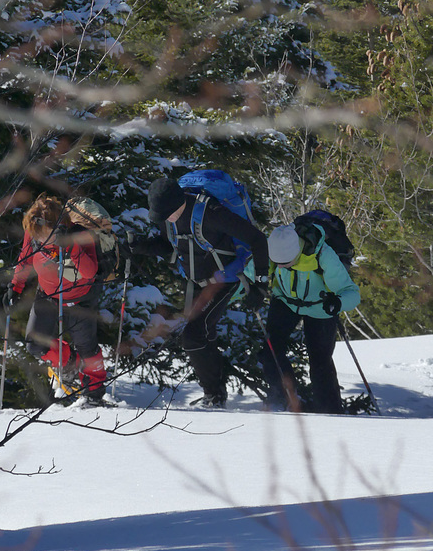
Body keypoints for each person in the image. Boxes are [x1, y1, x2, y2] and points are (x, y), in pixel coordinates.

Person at [130, 177, 270, 408]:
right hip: (195, 281)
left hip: (223, 280)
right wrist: (141, 247)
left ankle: (214, 397)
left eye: (168, 215)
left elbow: (257, 239)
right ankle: (216, 394)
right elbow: (169, 245)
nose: (166, 220)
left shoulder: (211, 213)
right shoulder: (168, 215)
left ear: (179, 202)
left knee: (193, 337)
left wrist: (260, 284)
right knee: (204, 335)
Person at [3, 193, 107, 403]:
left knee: (88, 348)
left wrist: (70, 246)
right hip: (48, 296)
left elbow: (89, 271)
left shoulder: (80, 235)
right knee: (34, 344)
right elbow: (25, 259)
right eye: (36, 236)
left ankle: (94, 392)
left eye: (44, 236)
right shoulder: (34, 231)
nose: (39, 241)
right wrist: (16, 286)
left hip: (80, 300)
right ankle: (71, 365)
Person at [261, 223, 360, 414]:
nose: (280, 266)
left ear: (297, 252)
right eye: (277, 263)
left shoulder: (324, 256)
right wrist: (247, 292)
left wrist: (337, 303)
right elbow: (249, 275)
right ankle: (282, 400)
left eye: (285, 263)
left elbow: (352, 293)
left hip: (320, 306)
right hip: (285, 301)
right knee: (271, 350)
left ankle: (330, 411)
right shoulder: (274, 246)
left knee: (320, 361)